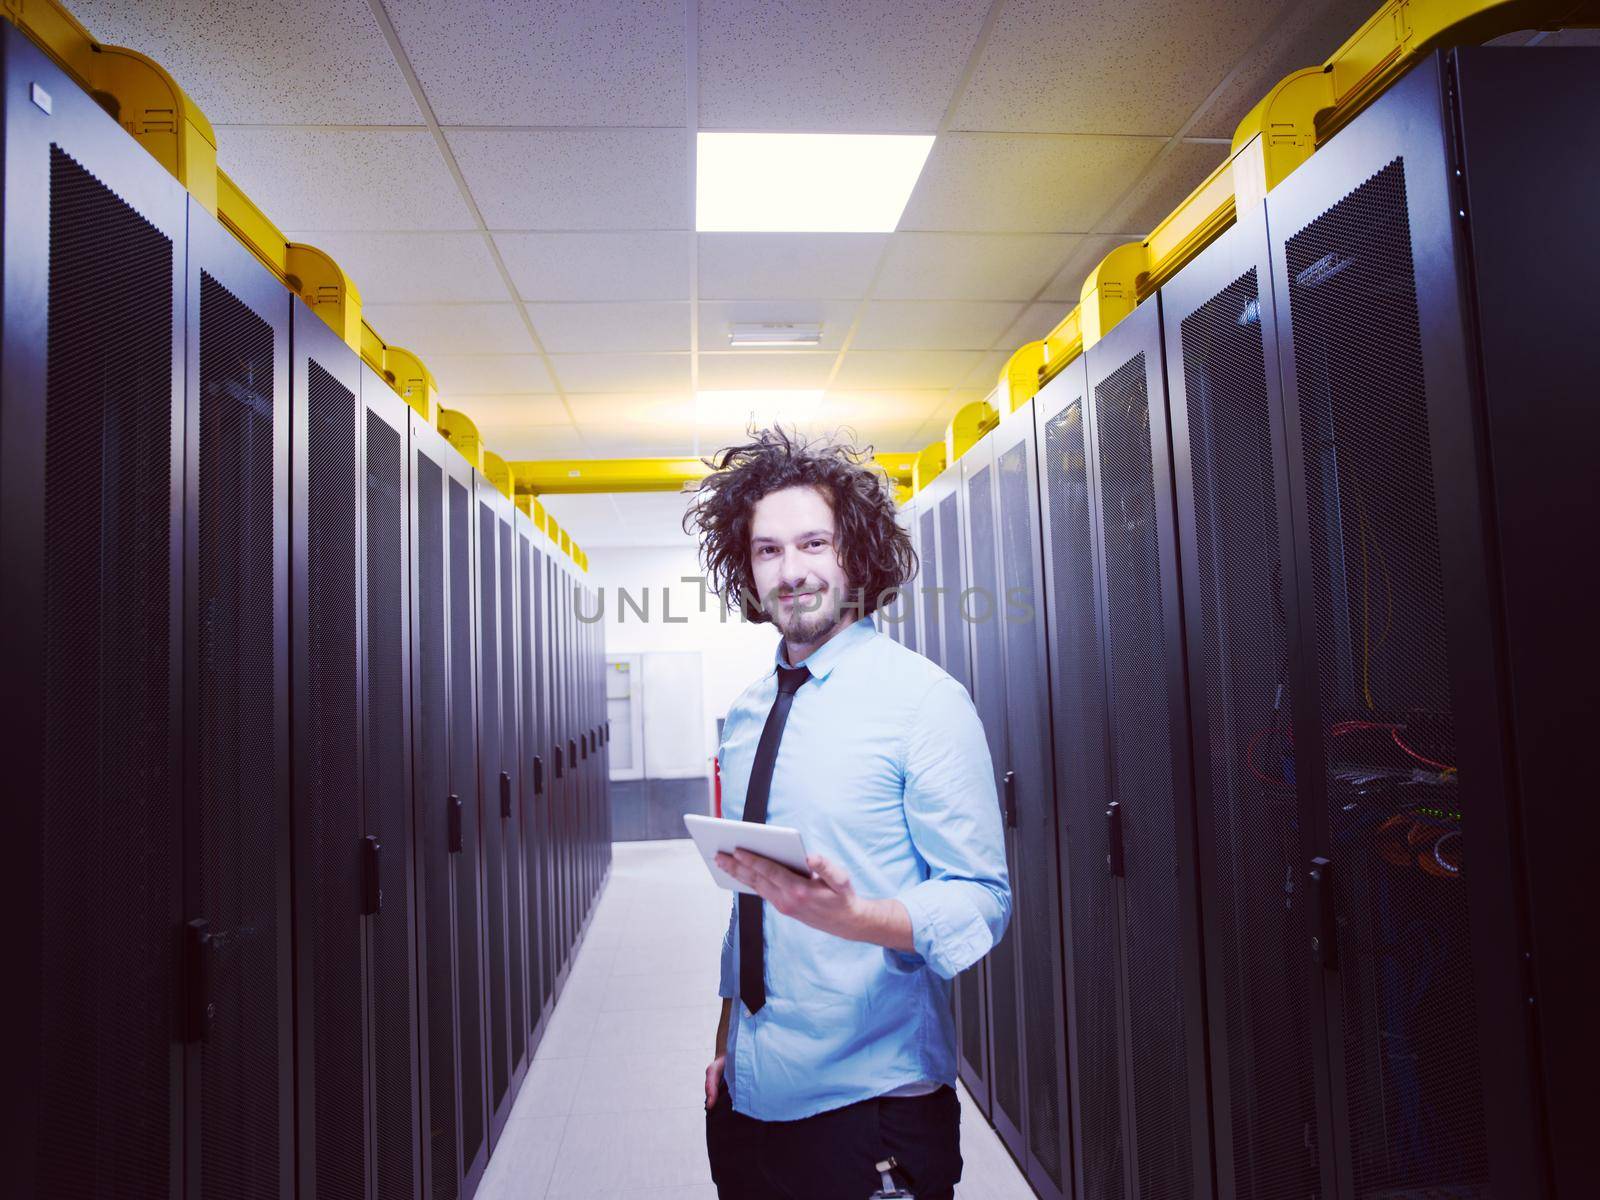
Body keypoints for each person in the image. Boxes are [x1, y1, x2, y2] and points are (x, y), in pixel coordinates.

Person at [684, 427, 1011, 1200]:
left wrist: (858, 916)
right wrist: (730, 1044)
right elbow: (752, 907)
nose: (791, 571)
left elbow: (980, 897)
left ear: (855, 556)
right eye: (767, 551)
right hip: (749, 1097)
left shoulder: (923, 702)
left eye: (812, 544)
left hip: (872, 1105)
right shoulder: (747, 709)